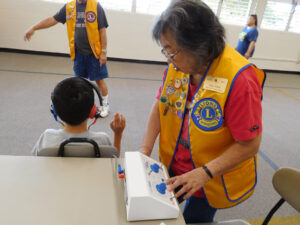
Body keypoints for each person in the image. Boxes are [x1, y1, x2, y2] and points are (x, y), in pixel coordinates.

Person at [140, 1, 265, 223]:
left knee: (194, 221)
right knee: (158, 213)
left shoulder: (241, 81)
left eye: (172, 51)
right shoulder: (178, 65)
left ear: (197, 46)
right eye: (165, 50)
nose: (168, 58)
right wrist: (145, 149)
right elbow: (162, 104)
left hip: (209, 178)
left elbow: (250, 143)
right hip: (173, 167)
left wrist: (204, 173)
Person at [24, 0, 110, 117]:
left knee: (99, 80)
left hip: (94, 53)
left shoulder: (95, 6)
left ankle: (105, 105)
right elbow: (53, 19)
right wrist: (34, 27)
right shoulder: (69, 7)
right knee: (79, 82)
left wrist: (103, 52)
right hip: (78, 53)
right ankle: (82, 105)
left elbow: (102, 30)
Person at [32, 77, 126, 157]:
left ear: (55, 111)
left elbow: (35, 160)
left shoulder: (47, 137)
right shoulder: (102, 140)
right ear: (93, 112)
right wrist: (118, 135)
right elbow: (113, 161)